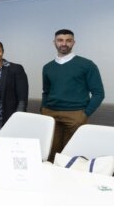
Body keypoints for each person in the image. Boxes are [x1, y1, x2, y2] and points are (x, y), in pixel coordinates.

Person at [42, 29, 104, 161]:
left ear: (73, 43)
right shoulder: (47, 67)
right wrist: (43, 109)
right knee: (49, 153)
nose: (64, 43)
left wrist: (85, 114)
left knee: (71, 155)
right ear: (54, 42)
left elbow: (99, 93)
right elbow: (46, 91)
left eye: (68, 40)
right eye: (60, 40)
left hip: (75, 115)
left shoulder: (87, 65)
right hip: (50, 114)